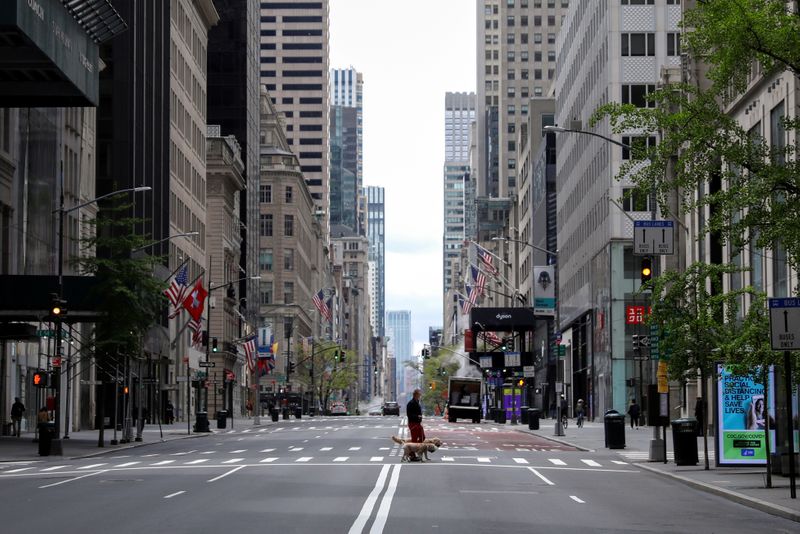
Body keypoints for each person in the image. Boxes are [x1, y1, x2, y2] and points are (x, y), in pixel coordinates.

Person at [406, 389, 425, 460]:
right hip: (413, 423)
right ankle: (412, 455)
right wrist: (417, 416)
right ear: (415, 395)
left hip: (418, 423)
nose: (420, 395)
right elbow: (409, 415)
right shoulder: (411, 403)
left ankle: (416, 450)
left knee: (422, 436)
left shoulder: (417, 402)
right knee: (414, 439)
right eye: (419, 394)